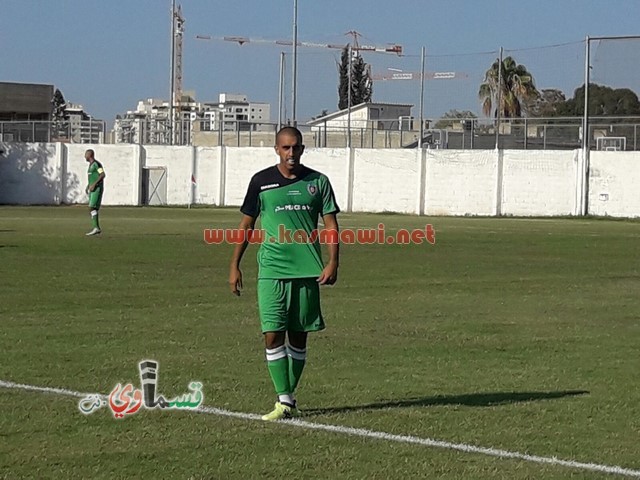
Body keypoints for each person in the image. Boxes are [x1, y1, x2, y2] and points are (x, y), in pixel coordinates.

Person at [229, 126, 340, 421]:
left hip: (307, 272)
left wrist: (333, 263)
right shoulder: (261, 182)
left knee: (299, 338)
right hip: (271, 270)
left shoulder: (318, 182)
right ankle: (284, 399)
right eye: (286, 148)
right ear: (277, 149)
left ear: (302, 149)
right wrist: (234, 265)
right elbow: (246, 226)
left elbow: (330, 225)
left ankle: (287, 400)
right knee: (272, 334)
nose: (291, 153)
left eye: (296, 148)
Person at [85, 149, 105, 236]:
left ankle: (96, 228)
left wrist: (94, 185)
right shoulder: (90, 165)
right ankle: (96, 228)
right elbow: (92, 177)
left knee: (91, 207)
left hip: (97, 189)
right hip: (92, 190)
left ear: (90, 155)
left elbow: (102, 174)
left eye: (86, 154)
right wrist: (88, 185)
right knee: (93, 209)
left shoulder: (97, 164)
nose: (84, 156)